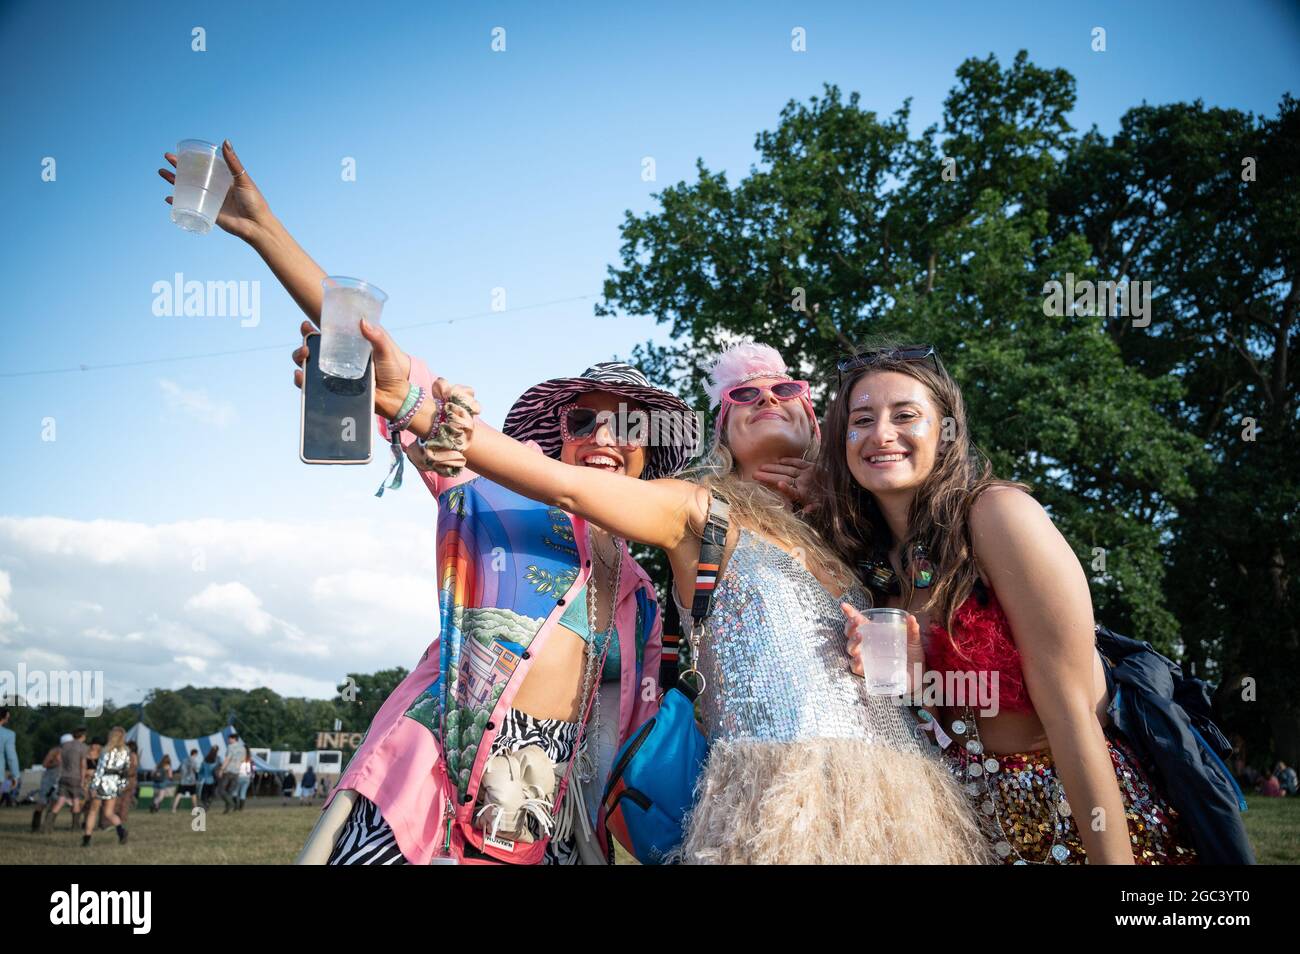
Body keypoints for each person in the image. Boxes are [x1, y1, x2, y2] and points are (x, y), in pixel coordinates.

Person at [159, 141, 680, 866]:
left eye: (628, 426)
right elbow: (392, 367)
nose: (603, 436)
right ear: (557, 436)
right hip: (433, 796)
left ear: (649, 454)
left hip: (550, 826)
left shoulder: (650, 596)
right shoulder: (499, 489)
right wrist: (261, 227)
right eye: (584, 419)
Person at [411, 339, 985, 863]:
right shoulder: (695, 510)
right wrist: (419, 405)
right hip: (779, 803)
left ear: (812, 421)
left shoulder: (853, 538)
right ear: (722, 432)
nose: (766, 396)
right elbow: (565, 484)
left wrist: (916, 662)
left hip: (896, 799)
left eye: (784, 389)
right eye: (744, 394)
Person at [812, 343, 1196, 864]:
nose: (881, 434)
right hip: (964, 837)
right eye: (861, 420)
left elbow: (1073, 714)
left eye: (906, 416)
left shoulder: (998, 515)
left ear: (946, 433)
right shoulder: (871, 568)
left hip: (1076, 823)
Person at [83, 726, 131, 847]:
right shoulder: (126, 751)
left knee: (93, 811)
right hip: (114, 784)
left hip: (103, 782)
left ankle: (87, 839)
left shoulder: (106, 750)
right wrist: (122, 785)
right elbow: (125, 771)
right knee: (109, 812)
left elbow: (100, 770)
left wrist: (93, 787)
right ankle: (121, 831)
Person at [41, 727, 88, 833]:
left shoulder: (64, 746)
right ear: (83, 736)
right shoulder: (83, 747)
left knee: (61, 800)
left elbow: (59, 760)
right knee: (76, 800)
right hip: (75, 777)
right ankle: (75, 826)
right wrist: (82, 779)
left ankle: (47, 825)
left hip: (63, 777)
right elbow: (83, 765)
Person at [33, 744, 62, 832]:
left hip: (59, 780)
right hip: (49, 779)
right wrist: (56, 763)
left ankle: (47, 826)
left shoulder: (70, 751)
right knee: (42, 802)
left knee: (54, 803)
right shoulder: (54, 750)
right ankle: (35, 826)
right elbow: (44, 764)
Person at [220, 731, 247, 814]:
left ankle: (230, 803)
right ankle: (227, 808)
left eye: (229, 739)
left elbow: (227, 758)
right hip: (236, 772)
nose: (228, 740)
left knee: (221, 790)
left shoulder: (230, 747)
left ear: (233, 739)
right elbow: (243, 759)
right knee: (230, 791)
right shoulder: (243, 748)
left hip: (228, 771)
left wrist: (221, 769)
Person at [118, 740, 139, 827]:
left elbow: (131, 769)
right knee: (126, 800)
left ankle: (120, 818)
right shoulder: (134, 756)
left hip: (127, 779)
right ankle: (123, 818)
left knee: (121, 800)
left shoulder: (130, 755)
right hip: (132, 780)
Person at [0, 708, 19, 796]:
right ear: (3, 718)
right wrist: (15, 775)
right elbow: (11, 758)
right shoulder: (8, 734)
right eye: (7, 717)